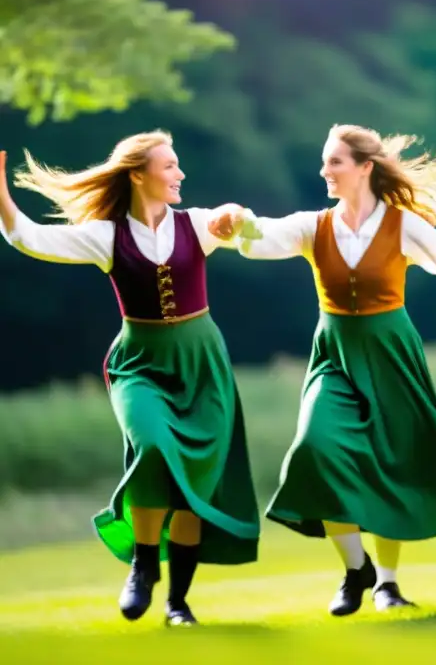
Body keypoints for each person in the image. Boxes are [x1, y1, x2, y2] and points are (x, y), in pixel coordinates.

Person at [209, 124, 436, 616]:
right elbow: (265, 232)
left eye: (335, 162)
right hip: (334, 353)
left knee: (392, 459)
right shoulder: (315, 226)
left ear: (364, 168)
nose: (324, 171)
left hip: (391, 350)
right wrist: (237, 219)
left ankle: (388, 583)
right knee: (316, 447)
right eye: (325, 161)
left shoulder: (402, 224)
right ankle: (357, 570)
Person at [0, 133, 262, 627]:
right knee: (153, 447)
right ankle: (143, 565)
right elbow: (26, 237)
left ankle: (178, 603)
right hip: (139, 364)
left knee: (193, 485)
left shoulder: (197, 225)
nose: (179, 174)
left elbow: (234, 215)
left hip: (202, 364)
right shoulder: (106, 236)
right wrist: (0, 194)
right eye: (169, 166)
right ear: (138, 175)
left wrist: (235, 216)